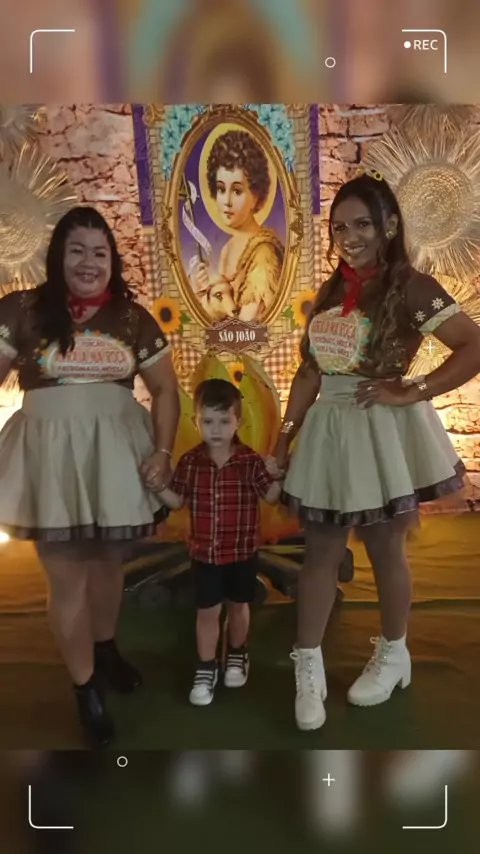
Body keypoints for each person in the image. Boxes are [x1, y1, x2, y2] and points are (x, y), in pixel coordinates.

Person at [267, 172, 480, 731]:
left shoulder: (412, 287)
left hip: (379, 429)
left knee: (386, 550)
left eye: (361, 224)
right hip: (328, 429)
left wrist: (414, 389)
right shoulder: (330, 291)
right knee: (320, 551)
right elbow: (309, 372)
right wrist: (284, 436)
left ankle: (394, 654)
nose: (349, 237)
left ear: (388, 226)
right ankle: (308, 667)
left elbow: (472, 344)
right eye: (339, 228)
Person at [0, 206, 180, 747]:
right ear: (58, 256)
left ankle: (105, 650)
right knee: (66, 578)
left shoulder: (132, 317)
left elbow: (166, 390)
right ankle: (86, 690)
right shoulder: (21, 310)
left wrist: (163, 451)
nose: (89, 262)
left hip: (115, 456)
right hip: (49, 457)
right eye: (76, 250)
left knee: (106, 564)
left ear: (112, 260)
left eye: (100, 252)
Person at [156, 378, 283, 705]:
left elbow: (271, 496)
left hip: (243, 551)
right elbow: (177, 501)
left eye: (224, 421)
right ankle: (206, 666)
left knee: (239, 605)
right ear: (195, 421)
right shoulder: (190, 461)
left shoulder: (250, 461)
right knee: (207, 612)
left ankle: (238, 653)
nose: (216, 429)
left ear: (238, 421)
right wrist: (156, 487)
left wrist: (280, 473)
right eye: (208, 421)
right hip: (205, 554)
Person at [193, 129, 284, 322]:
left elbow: (246, 325)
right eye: (220, 189)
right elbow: (223, 313)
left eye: (236, 191)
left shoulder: (264, 254)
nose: (226, 201)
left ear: (255, 196)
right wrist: (204, 292)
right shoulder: (227, 249)